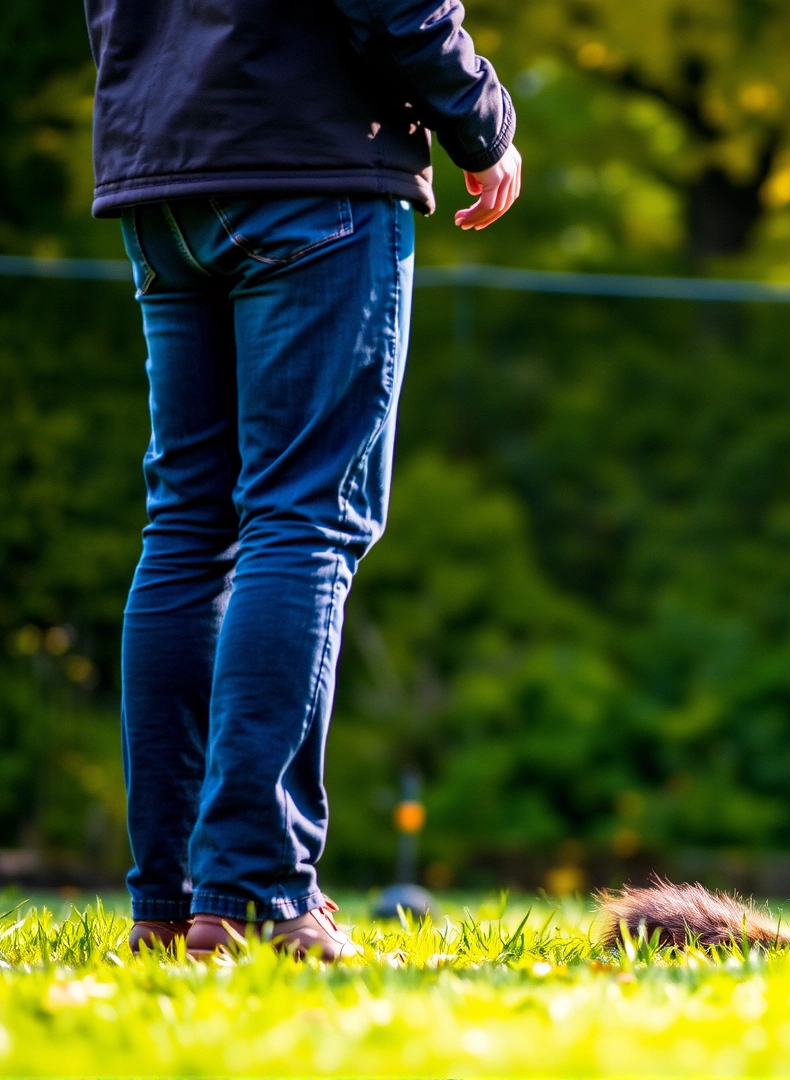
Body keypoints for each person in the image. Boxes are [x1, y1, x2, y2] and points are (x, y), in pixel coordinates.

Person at [89, 0, 523, 959]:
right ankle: (252, 889)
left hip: (160, 164)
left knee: (188, 532)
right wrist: (481, 121)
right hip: (310, 164)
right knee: (302, 522)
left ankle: (169, 902)